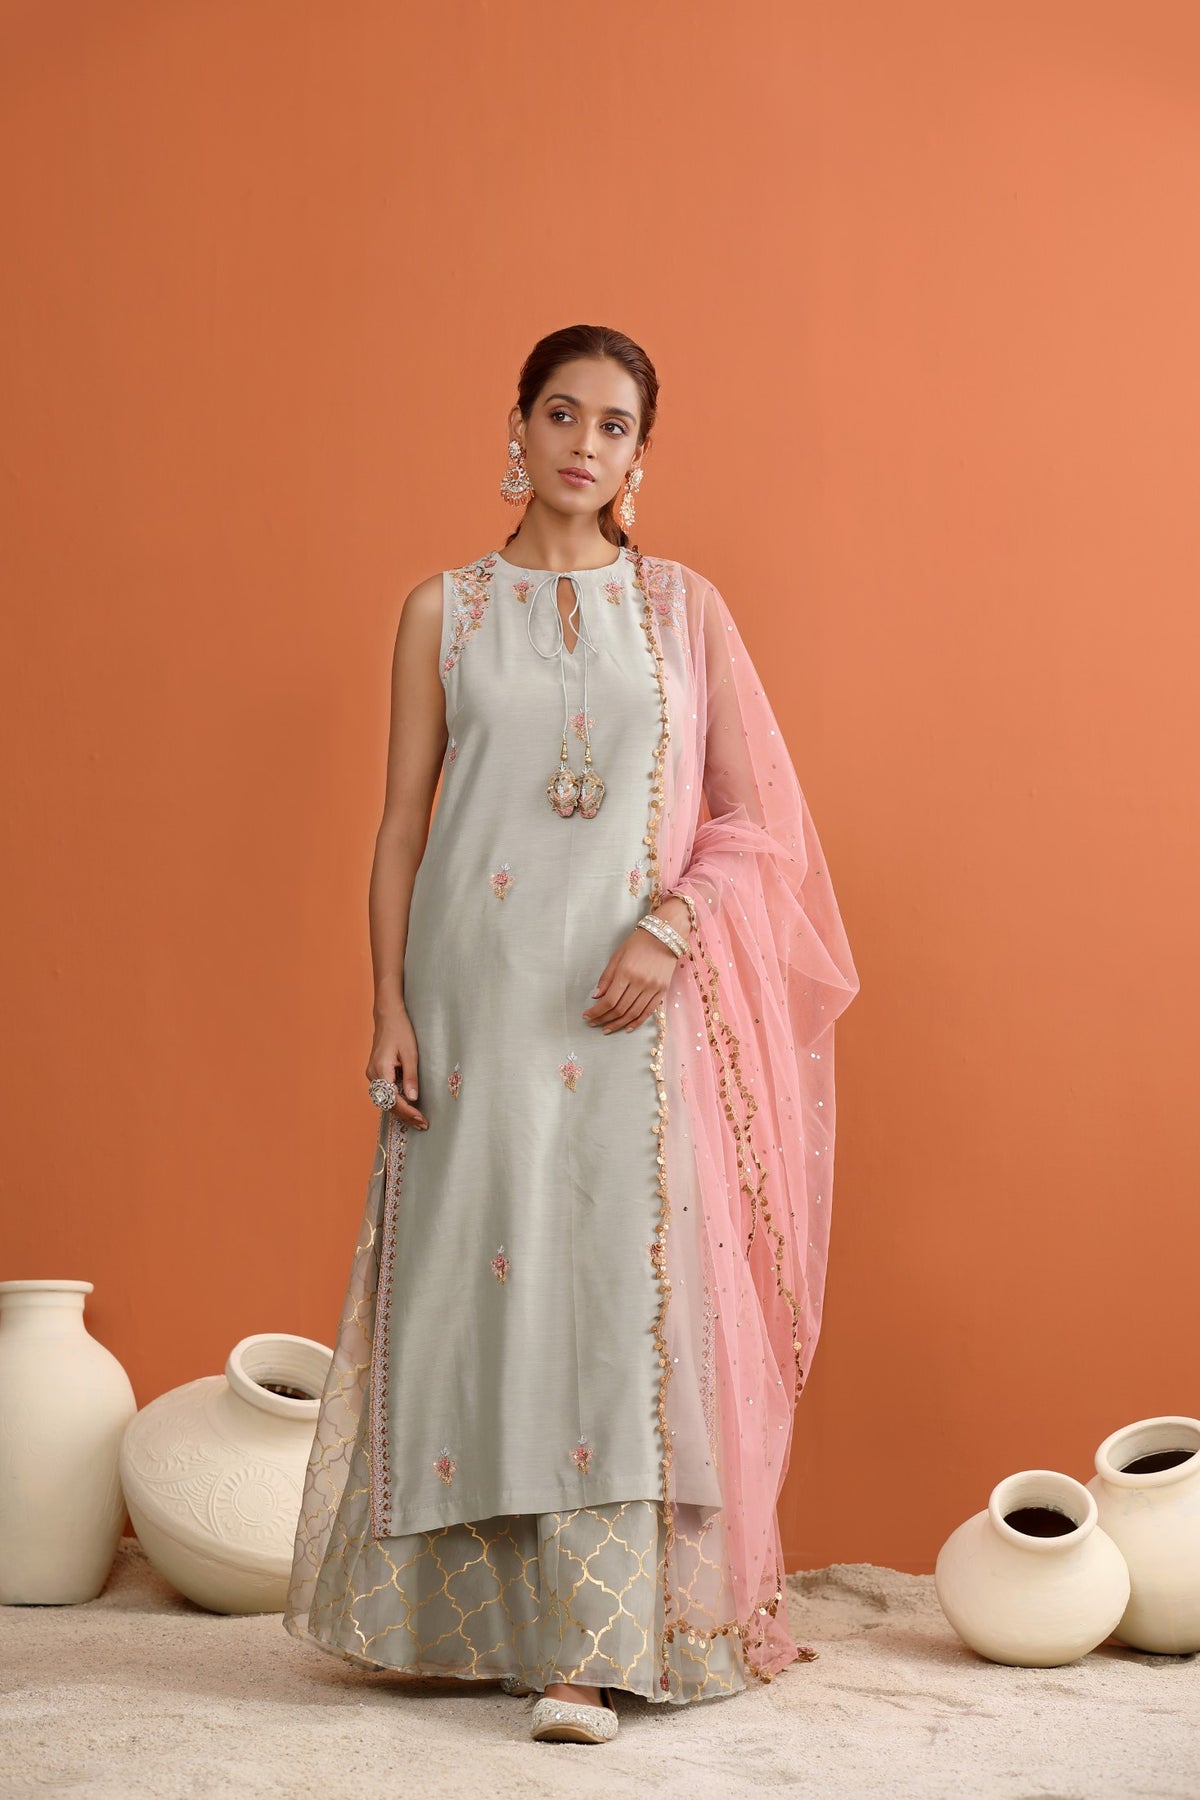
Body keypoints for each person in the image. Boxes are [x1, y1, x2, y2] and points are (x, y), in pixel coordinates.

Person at [282, 323, 860, 1745]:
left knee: (612, 1301)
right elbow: (403, 825)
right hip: (473, 999)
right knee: (478, 1291)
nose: (584, 445)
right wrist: (386, 1004)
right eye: (561, 413)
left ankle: (591, 1650)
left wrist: (669, 929)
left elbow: (753, 822)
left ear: (640, 456)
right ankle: (466, 1627)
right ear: (518, 426)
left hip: (627, 1012)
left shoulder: (683, 609)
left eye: (613, 426)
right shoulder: (443, 609)